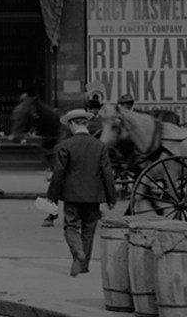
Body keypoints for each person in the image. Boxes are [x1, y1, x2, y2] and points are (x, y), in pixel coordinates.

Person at [47, 109, 118, 277]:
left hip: (72, 195)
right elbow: (107, 173)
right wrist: (111, 198)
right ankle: (83, 265)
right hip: (94, 196)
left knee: (71, 227)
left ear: (72, 124)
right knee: (89, 229)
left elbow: (58, 174)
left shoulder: (65, 146)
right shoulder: (99, 146)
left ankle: (78, 251)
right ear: (85, 124)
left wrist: (52, 198)